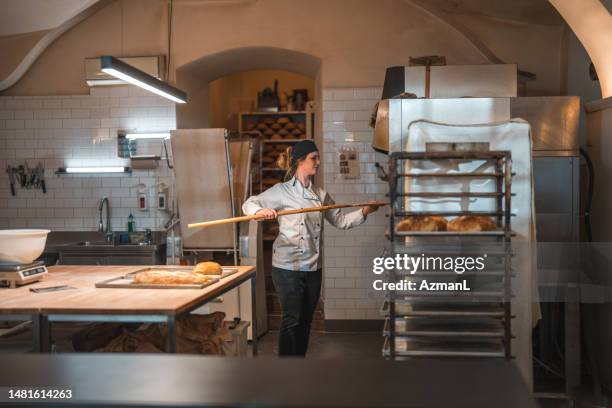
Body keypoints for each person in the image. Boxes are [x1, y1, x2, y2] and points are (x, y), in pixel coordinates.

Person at [242, 140, 379, 356]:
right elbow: (249, 204)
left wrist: (365, 211)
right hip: (287, 268)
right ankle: (287, 368)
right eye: (314, 158)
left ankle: (299, 364)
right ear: (300, 161)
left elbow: (340, 221)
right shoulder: (281, 191)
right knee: (292, 319)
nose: (318, 162)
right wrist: (260, 212)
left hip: (314, 269)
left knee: (306, 320)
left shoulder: (320, 195)